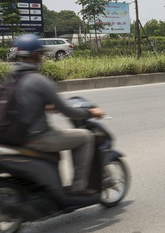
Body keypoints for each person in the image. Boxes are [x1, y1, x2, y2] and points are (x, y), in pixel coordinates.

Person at [10, 33, 103, 196]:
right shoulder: (39, 80)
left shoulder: (11, 78)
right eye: (41, 54)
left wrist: (44, 105)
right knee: (86, 137)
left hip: (15, 137)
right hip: (37, 138)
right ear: (38, 55)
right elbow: (68, 111)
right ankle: (78, 187)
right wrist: (90, 112)